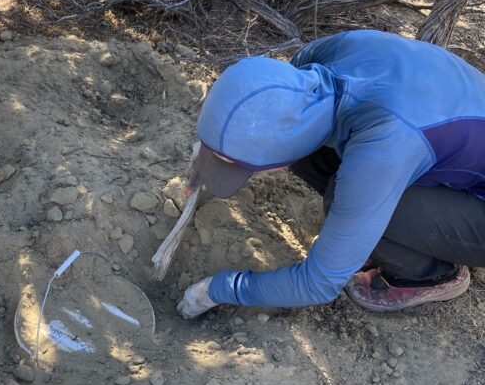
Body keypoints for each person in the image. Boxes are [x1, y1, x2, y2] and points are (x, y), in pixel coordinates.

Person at [177, 28, 485, 318]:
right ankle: (370, 234)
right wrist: (199, 171)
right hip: (438, 134)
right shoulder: (313, 62)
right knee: (323, 167)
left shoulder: (382, 147)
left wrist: (218, 289)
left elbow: (318, 284)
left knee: (350, 198)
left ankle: (434, 275)